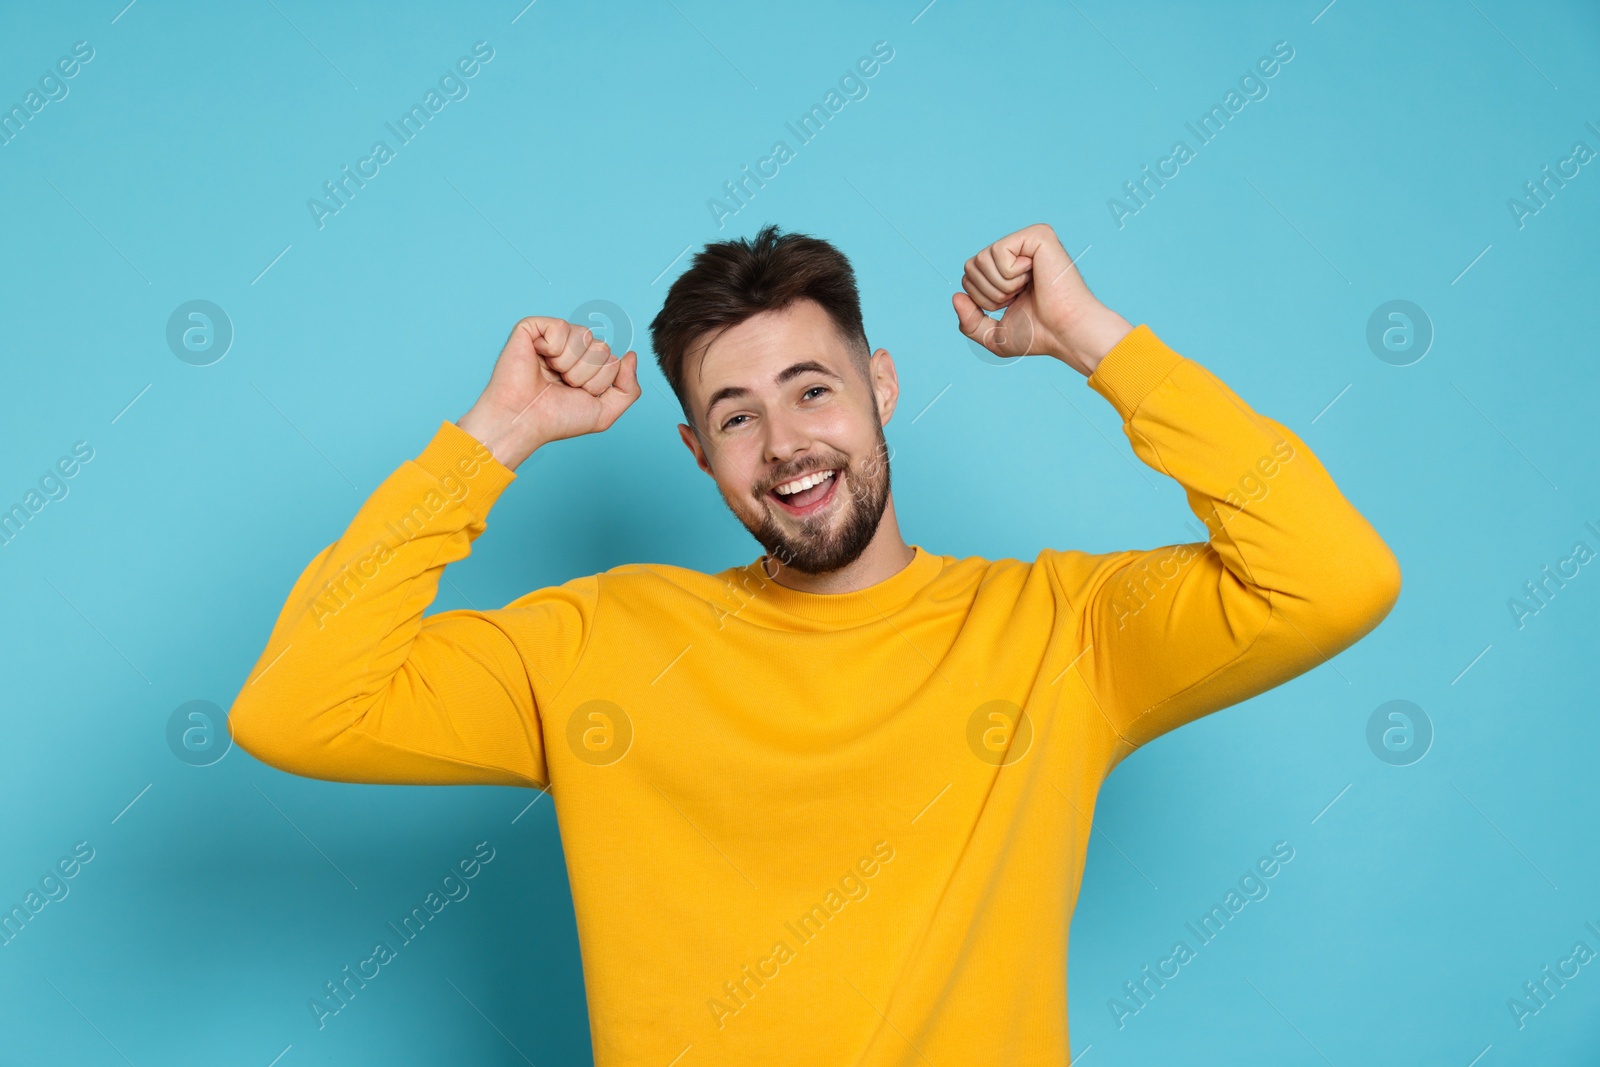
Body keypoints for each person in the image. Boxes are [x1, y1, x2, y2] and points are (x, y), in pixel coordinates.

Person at [227, 222, 1401, 1065]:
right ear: (697, 453)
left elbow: (1332, 574)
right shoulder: (602, 639)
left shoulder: (1059, 632)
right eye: (736, 415)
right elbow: (296, 705)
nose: (785, 443)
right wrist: (494, 435)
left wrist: (1095, 340)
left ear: (881, 386)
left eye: (813, 391)